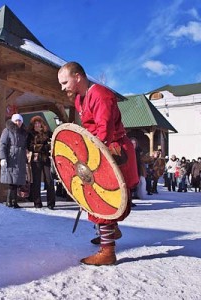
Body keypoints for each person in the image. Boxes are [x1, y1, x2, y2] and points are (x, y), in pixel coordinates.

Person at [58, 61, 139, 266]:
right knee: (94, 197)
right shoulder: (79, 100)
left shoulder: (101, 95)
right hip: (99, 149)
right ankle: (110, 232)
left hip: (112, 150)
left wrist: (93, 157)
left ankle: (107, 252)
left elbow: (104, 130)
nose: (63, 87)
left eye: (65, 82)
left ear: (78, 76)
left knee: (102, 198)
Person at [0, 113, 28, 209]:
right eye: (16, 120)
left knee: (16, 181)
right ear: (13, 121)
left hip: (20, 159)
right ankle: (9, 201)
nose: (18, 122)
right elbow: (2, 145)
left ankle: (14, 202)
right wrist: (2, 158)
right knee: (11, 181)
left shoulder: (23, 132)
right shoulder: (7, 131)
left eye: (19, 120)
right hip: (11, 158)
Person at [26, 115, 56, 209]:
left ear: (42, 124)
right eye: (35, 123)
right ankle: (37, 202)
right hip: (36, 159)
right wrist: (43, 147)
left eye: (38, 123)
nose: (37, 125)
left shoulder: (47, 133)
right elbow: (29, 146)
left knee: (49, 181)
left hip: (46, 159)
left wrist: (40, 147)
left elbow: (52, 143)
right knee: (36, 181)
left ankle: (51, 203)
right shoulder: (30, 134)